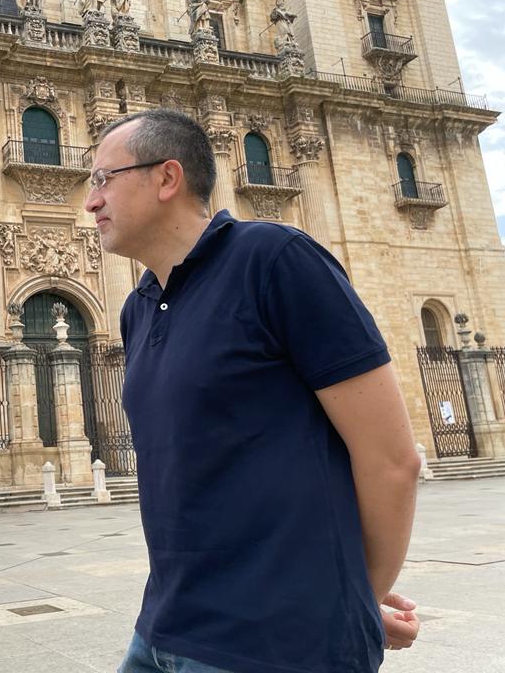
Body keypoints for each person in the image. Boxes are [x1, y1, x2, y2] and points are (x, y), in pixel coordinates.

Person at [83, 109, 422, 673]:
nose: (91, 201)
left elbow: (391, 460)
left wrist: (351, 602)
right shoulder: (137, 308)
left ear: (168, 178)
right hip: (161, 633)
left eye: (103, 179)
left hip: (269, 646)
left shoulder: (274, 259)